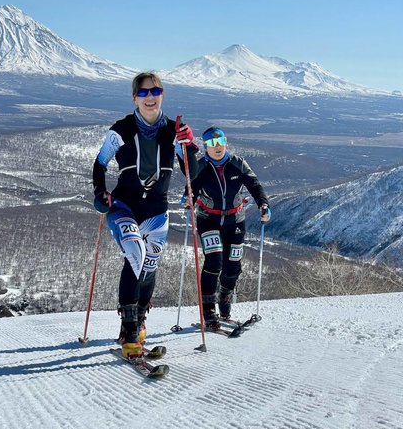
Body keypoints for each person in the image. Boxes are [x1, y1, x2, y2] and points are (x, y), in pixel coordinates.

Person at [92, 71, 198, 357]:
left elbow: (193, 172)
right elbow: (100, 163)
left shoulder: (174, 130)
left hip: (157, 212)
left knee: (149, 266)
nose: (149, 97)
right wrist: (100, 193)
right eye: (143, 92)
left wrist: (190, 147)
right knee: (135, 254)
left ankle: (139, 322)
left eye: (155, 91)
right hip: (124, 207)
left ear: (162, 94)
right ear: (134, 97)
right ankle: (128, 333)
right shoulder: (121, 129)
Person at [189, 126, 270, 329]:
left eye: (221, 142)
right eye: (211, 144)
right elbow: (192, 189)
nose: (217, 147)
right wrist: (188, 198)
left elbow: (254, 185)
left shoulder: (237, 164)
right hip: (209, 218)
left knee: (233, 265)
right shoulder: (200, 166)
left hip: (235, 219)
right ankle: (208, 311)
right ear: (205, 147)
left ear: (226, 143)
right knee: (214, 261)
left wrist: (263, 204)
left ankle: (224, 302)